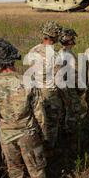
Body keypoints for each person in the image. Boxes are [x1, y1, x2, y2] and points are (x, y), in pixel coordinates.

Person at [0, 40, 52, 178]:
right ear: (12, 61)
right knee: (36, 168)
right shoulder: (27, 82)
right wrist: (44, 134)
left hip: (6, 135)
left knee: (14, 170)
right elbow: (39, 113)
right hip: (28, 132)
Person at [27, 21, 64, 156]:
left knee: (37, 121)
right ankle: (49, 150)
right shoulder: (55, 55)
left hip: (34, 92)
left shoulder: (33, 50)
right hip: (49, 93)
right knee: (52, 122)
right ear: (55, 37)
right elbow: (59, 78)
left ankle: (38, 149)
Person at [56, 28, 85, 138]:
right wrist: (81, 88)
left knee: (63, 111)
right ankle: (71, 134)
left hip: (59, 87)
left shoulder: (59, 53)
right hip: (69, 87)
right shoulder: (69, 55)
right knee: (74, 110)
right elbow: (74, 74)